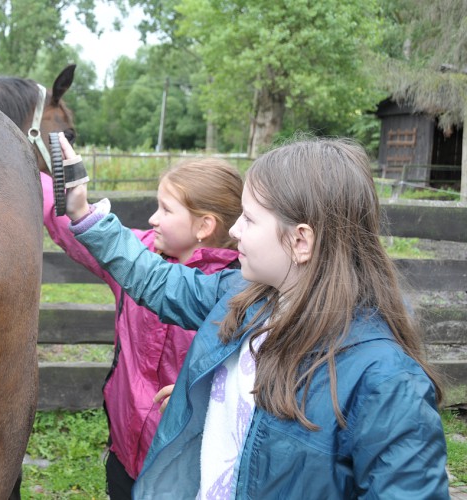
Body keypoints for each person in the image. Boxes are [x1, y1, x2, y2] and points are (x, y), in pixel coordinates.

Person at [58, 134, 448, 498]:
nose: (235, 229)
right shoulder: (243, 299)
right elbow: (158, 280)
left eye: (249, 218)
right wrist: (82, 212)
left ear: (300, 240)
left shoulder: (387, 382)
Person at [41, 149, 243, 497]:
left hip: (182, 469)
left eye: (166, 209)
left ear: (204, 226)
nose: (153, 218)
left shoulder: (237, 293)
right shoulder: (137, 256)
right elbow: (80, 229)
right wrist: (31, 166)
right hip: (124, 451)